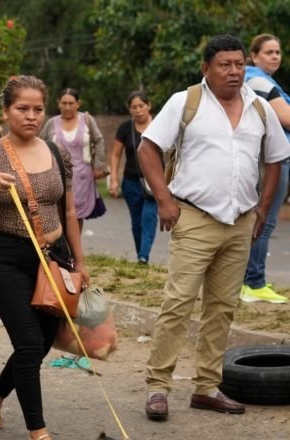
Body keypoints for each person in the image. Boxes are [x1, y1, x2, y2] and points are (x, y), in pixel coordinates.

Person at [137, 35, 290, 421]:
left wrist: (263, 210)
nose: (234, 71)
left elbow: (275, 159)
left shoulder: (259, 108)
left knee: (221, 308)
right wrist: (164, 200)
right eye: (225, 64)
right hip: (194, 217)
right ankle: (158, 386)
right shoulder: (185, 102)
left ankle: (206, 386)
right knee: (178, 304)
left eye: (239, 64)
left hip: (240, 222)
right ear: (206, 69)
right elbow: (147, 148)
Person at [0, 75, 89, 440]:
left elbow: (70, 212)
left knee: (43, 344)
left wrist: (80, 261)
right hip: (8, 259)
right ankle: (38, 431)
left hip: (55, 258)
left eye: (37, 109)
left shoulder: (56, 151)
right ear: (5, 111)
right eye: (22, 109)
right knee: (29, 343)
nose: (31, 116)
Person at [241, 34, 290, 304]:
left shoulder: (260, 80)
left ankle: (248, 280)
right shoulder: (257, 80)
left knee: (258, 219)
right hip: (271, 158)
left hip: (266, 157)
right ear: (254, 55)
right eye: (269, 52)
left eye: (278, 52)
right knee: (265, 220)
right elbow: (287, 119)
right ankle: (253, 282)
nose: (275, 56)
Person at [41, 88, 108, 230]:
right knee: (57, 213)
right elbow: (40, 144)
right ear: (58, 104)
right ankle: (60, 247)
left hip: (82, 178)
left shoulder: (87, 120)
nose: (67, 107)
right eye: (64, 103)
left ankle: (74, 248)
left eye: (71, 103)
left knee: (77, 214)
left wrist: (98, 165)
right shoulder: (51, 123)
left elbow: (99, 140)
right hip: (56, 176)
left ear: (78, 104)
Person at [109, 91, 158, 264]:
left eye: (141, 106)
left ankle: (144, 256)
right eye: (133, 107)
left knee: (149, 218)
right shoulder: (125, 128)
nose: (138, 110)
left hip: (155, 182)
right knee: (136, 222)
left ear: (149, 106)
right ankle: (141, 256)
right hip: (131, 182)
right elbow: (115, 154)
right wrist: (114, 179)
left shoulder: (160, 125)